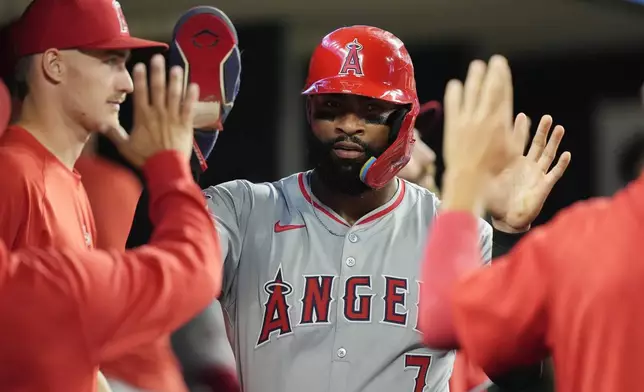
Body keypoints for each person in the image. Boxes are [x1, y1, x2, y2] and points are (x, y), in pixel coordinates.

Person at [194, 26, 564, 392]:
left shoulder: (452, 232)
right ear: (309, 112)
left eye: (372, 111)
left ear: (405, 122)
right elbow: (171, 280)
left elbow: (523, 376)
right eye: (332, 108)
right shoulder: (242, 210)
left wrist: (508, 234)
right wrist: (177, 160)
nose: (349, 125)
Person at [0, 48, 226, 391]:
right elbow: (194, 269)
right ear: (52, 65)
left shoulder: (72, 183)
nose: (126, 83)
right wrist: (168, 165)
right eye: (109, 61)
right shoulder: (26, 286)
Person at [417, 56, 644, 392]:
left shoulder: (584, 242)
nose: (426, 156)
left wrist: (466, 180)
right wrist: (506, 232)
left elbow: (444, 319)